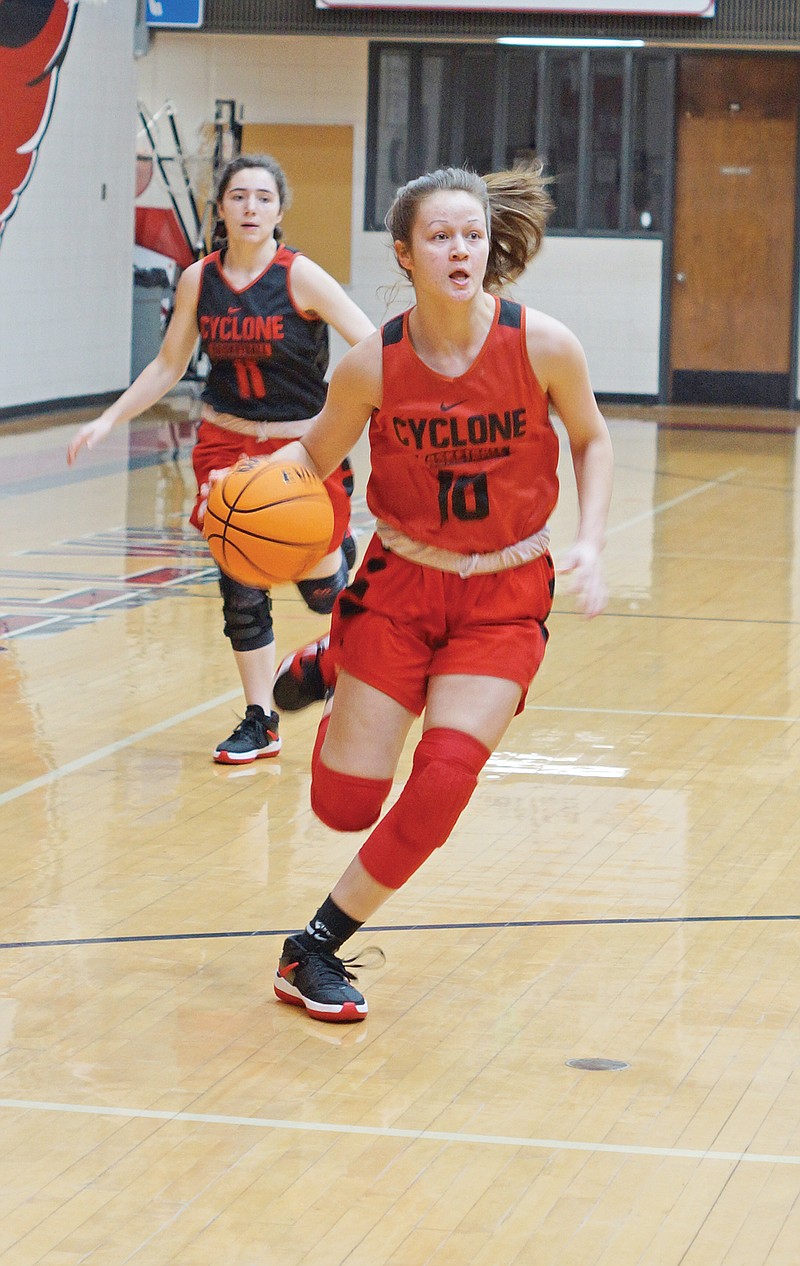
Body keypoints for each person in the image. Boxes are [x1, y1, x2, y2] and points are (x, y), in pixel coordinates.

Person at [250, 163, 613, 1023]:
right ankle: (336, 661)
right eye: (440, 236)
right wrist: (244, 487)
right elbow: (312, 458)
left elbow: (593, 440)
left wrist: (590, 543)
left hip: (505, 594)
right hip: (400, 588)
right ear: (406, 255)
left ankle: (314, 949)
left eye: (472, 235)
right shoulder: (374, 364)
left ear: (490, 249)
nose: (460, 248)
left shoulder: (545, 344)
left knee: (445, 777)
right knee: (344, 807)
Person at [67, 154, 375, 763]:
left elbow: (371, 345)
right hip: (226, 447)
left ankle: (338, 599)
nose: (251, 208)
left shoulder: (302, 276)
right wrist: (110, 417)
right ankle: (261, 720)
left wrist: (368, 415)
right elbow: (167, 365)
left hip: (302, 451)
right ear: (223, 208)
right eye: (239, 197)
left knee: (318, 592)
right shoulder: (197, 280)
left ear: (280, 211)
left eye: (263, 198)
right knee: (240, 579)